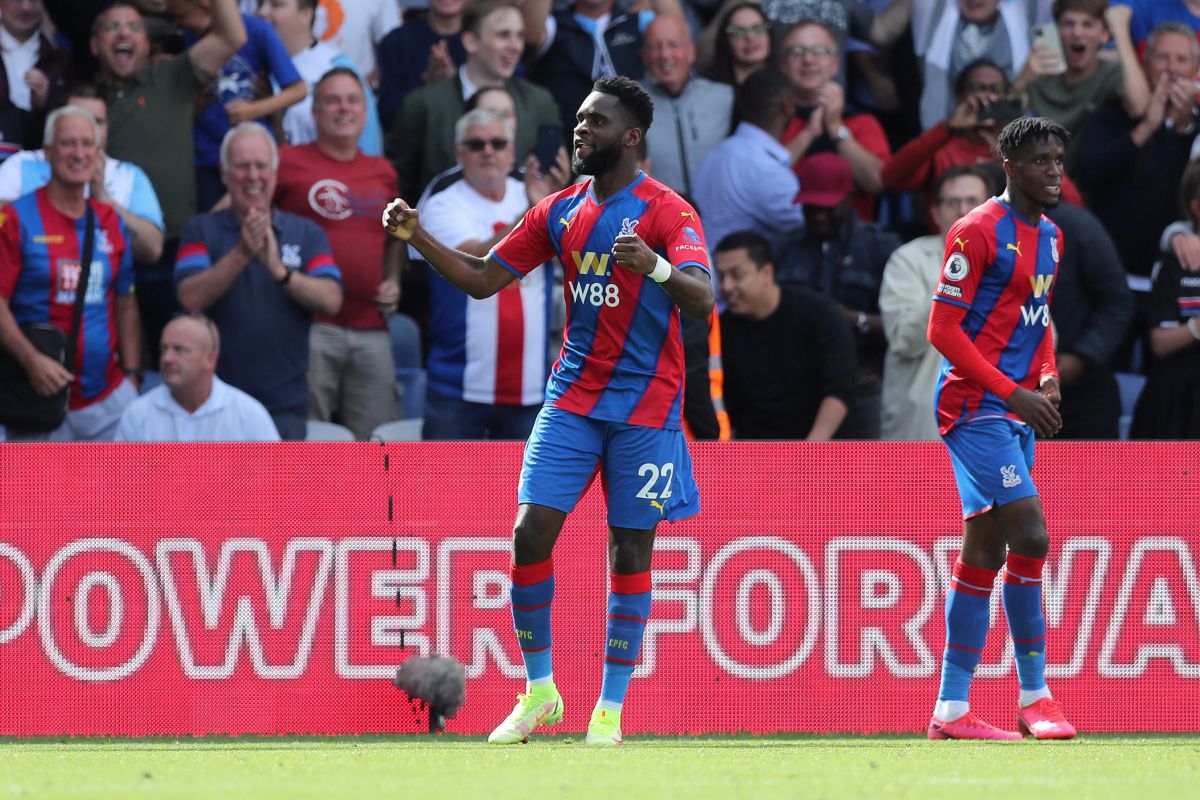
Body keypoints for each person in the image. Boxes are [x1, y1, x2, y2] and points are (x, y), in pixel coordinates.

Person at [383, 76, 714, 746]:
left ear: (632, 137)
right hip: (571, 399)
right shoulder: (559, 210)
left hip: (646, 408)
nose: (580, 129)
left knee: (629, 550)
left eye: (596, 122)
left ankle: (610, 709)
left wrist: (652, 267)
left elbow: (702, 299)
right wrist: (418, 237)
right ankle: (540, 693)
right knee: (530, 532)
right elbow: (483, 280)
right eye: (580, 117)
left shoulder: (668, 213)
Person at [925, 116, 1076, 740]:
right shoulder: (976, 231)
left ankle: (951, 710)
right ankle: (1036, 695)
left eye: (1059, 160)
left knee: (984, 550)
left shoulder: (1054, 238)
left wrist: (1045, 378)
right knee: (1033, 536)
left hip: (1015, 405)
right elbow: (941, 330)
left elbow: (1036, 322)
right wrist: (1012, 390)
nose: (1053, 171)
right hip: (971, 407)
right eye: (1040, 160)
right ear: (1008, 165)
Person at [93, 0, 247, 369]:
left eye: (134, 27)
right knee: (121, 360)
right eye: (112, 28)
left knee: (178, 357)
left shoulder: (172, 79)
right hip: (109, 248)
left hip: (175, 250)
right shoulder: (85, 101)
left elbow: (231, 35)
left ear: (148, 44)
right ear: (94, 45)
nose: (124, 34)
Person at [176, 122, 343, 440]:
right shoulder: (200, 230)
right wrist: (242, 253)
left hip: (284, 406)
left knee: (279, 491)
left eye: (261, 165)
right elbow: (190, 299)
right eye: (241, 166)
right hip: (211, 403)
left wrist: (280, 272)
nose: (253, 176)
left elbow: (331, 299)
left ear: (275, 173)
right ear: (224, 174)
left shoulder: (306, 233)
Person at [417, 107, 568, 439]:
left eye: (498, 143)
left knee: (524, 493)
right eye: (476, 144)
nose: (488, 150)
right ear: (460, 153)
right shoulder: (442, 204)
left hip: (531, 390)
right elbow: (476, 261)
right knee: (447, 491)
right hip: (458, 388)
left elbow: (572, 259)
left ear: (512, 152)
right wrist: (536, 211)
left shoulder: (535, 196)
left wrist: (558, 202)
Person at [273, 68, 401, 439]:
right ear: (314, 112)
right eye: (332, 100)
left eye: (352, 100)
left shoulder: (383, 171)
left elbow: (396, 238)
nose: (343, 109)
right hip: (309, 325)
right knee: (306, 438)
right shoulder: (287, 161)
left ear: (365, 111)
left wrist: (392, 278)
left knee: (375, 441)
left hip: (372, 328)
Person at [0, 105, 140, 441]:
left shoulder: (111, 220)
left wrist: (133, 376)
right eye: (67, 144)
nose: (78, 154)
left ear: (97, 152)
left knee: (114, 495)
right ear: (47, 153)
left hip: (106, 401)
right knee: (37, 495)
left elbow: (125, 302)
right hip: (36, 398)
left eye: (86, 144)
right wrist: (31, 360)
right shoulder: (15, 219)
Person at [1073, 21, 1199, 369]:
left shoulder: (1197, 129)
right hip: (1112, 282)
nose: (1172, 69)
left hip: (1176, 284)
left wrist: (1183, 127)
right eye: (1162, 59)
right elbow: (1088, 172)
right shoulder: (1114, 114)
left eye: (1182, 60)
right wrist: (1147, 127)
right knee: (1104, 378)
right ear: (1144, 64)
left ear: (1196, 70)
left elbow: (1186, 194)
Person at [777, 152, 899, 439]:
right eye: (811, 207)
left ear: (850, 197)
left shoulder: (881, 247)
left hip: (864, 384)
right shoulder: (784, 248)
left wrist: (855, 320)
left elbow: (904, 324)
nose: (819, 215)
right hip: (799, 387)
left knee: (864, 478)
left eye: (828, 207)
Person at [386, 0, 559, 198]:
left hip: (523, 226)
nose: (515, 46)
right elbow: (399, 187)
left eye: (519, 35)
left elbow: (550, 180)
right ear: (470, 41)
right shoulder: (423, 104)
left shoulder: (539, 102)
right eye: (503, 35)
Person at [880, 165, 991, 440]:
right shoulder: (907, 259)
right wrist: (956, 276)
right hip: (922, 431)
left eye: (973, 202)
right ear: (935, 212)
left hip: (994, 428)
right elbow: (904, 340)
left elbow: (1043, 340)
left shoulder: (1013, 261)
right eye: (953, 202)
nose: (963, 210)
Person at [0, 83, 164, 267]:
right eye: (77, 116)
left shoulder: (129, 176)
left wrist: (104, 200)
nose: (85, 127)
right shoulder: (22, 164)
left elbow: (152, 250)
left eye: (97, 122)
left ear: (107, 127)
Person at [169, 0, 307, 210]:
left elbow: (298, 90)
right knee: (213, 228)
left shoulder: (257, 30)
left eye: (183, 16)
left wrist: (254, 110)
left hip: (254, 156)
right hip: (206, 156)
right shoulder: (187, 37)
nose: (181, 24)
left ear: (207, 5)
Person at [717, 230, 855, 439]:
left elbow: (839, 389)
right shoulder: (721, 329)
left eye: (737, 275)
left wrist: (809, 451)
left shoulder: (817, 313)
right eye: (721, 277)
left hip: (820, 447)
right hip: (752, 453)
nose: (726, 287)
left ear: (767, 273)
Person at [520, 0, 683, 146]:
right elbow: (529, 37)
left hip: (629, 149)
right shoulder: (554, 24)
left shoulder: (634, 21)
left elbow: (676, 28)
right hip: (573, 151)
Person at [777, 18, 889, 221]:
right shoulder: (772, 120)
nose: (808, 60)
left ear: (835, 64)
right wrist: (808, 134)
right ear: (783, 65)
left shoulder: (862, 121)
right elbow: (761, 182)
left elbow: (878, 182)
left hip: (854, 241)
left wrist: (836, 127)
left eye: (819, 51)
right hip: (786, 236)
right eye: (798, 52)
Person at [692, 67, 804, 261]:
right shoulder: (767, 170)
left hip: (709, 274)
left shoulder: (714, 155)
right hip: (739, 281)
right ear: (787, 106)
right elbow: (807, 225)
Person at [1043, 202, 1134, 439]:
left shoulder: (1077, 226)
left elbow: (1118, 302)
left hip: (1080, 389)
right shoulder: (988, 227)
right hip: (1008, 390)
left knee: (1091, 475)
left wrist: (1083, 356)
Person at [114, 312, 280, 441]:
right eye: (164, 349)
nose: (166, 358)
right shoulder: (137, 415)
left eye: (179, 350)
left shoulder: (248, 415)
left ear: (210, 358)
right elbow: (120, 483)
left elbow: (275, 482)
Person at [1013, 0, 1148, 157]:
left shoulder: (1111, 72)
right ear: (1056, 30)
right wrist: (1021, 83)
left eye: (1087, 25)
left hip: (1090, 173)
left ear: (1104, 34)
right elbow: (1003, 127)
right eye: (1068, 24)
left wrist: (1121, 32)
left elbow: (1139, 107)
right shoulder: (1039, 69)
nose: (1077, 33)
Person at [1130, 159, 1200, 439]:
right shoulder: (1176, 259)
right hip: (1177, 401)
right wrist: (1196, 327)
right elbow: (1159, 343)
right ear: (1196, 206)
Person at [258, 0, 383, 156]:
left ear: (306, 14)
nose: (262, 12)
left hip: (321, 179)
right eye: (259, 4)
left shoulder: (335, 66)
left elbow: (367, 146)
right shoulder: (247, 65)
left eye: (276, 5)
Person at [639, 14, 733, 198]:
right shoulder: (628, 104)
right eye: (655, 47)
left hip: (718, 219)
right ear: (644, 55)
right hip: (662, 220)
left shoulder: (724, 98)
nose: (665, 54)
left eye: (673, 45)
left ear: (691, 52)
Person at [912, 0, 1036, 130]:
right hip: (950, 137)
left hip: (1010, 139)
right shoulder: (933, 23)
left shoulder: (1022, 20)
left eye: (994, 89)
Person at [376, 0, 468, 131]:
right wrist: (426, 87)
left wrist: (455, 84)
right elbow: (388, 115)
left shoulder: (485, 42)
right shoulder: (397, 42)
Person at [0, 0, 71, 158]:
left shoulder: (62, 58)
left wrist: (44, 104)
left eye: (34, 0)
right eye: (16, 0)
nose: (25, 7)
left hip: (44, 165)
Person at [704, 1, 771, 87]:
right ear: (726, 40)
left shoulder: (786, 86)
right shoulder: (708, 91)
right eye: (738, 32)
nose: (749, 37)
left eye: (758, 29)